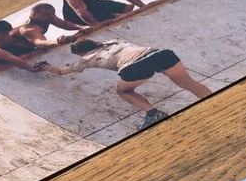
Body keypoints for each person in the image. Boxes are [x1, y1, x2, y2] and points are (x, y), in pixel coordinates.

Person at [61, 36, 215, 120]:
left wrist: (47, 67)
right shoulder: (114, 40)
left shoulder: (86, 59)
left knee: (123, 91)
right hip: (160, 53)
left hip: (134, 66)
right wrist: (75, 38)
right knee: (189, 83)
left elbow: (62, 71)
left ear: (79, 53)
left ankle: (153, 113)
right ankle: (213, 100)